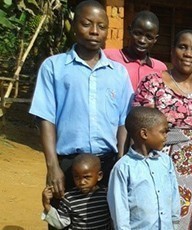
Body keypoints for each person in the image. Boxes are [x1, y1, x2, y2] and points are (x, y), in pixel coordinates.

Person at [29, 0, 132, 202]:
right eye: (87, 24)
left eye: (101, 26)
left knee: (104, 221)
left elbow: (124, 120)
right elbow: (45, 118)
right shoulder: (54, 67)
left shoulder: (118, 73)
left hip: (107, 164)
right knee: (65, 220)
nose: (94, 31)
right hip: (68, 164)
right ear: (75, 25)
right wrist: (52, 166)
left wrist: (120, 161)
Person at [132, 30, 192, 229]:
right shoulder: (153, 83)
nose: (188, 53)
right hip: (155, 168)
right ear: (172, 51)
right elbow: (140, 128)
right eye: (182, 47)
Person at [108, 107, 179, 229]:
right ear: (144, 134)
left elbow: (174, 195)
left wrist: (175, 224)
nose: (166, 136)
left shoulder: (165, 161)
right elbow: (120, 210)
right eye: (163, 132)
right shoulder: (123, 168)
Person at [41, 154, 111, 229]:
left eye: (86, 177)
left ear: (99, 176)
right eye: (77, 177)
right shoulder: (69, 198)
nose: (82, 182)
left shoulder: (106, 194)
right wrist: (46, 205)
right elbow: (60, 223)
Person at [104, 10, 167, 91]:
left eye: (149, 37)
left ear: (155, 39)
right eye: (138, 33)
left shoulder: (161, 69)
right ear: (130, 30)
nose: (142, 40)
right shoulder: (109, 57)